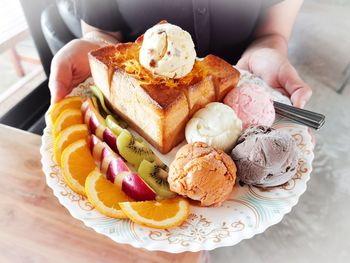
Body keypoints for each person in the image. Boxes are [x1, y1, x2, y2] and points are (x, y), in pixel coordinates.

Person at [49, 0, 312, 108]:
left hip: (236, 101)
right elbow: (101, 31)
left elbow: (272, 33)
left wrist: (267, 51)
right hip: (140, 104)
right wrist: (96, 47)